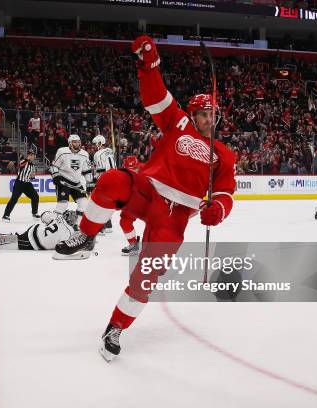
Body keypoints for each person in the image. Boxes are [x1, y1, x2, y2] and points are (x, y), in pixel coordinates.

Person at [54, 35, 237, 362]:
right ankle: (86, 234)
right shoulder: (179, 123)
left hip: (175, 216)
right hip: (147, 190)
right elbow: (157, 99)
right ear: (194, 114)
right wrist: (149, 67)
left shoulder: (223, 154)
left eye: (214, 114)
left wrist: (217, 210)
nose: (211, 119)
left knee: (147, 274)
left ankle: (116, 328)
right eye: (205, 114)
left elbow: (225, 193)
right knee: (111, 180)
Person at [0, 211, 77, 251]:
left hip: (35, 230)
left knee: (12, 238)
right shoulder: (69, 232)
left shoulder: (58, 217)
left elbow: (44, 215)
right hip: (33, 241)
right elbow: (63, 246)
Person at [50, 134, 93, 219]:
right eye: (74, 142)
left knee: (83, 204)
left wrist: (90, 184)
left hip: (76, 183)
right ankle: (55, 223)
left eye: (78, 142)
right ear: (70, 143)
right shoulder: (62, 152)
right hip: (64, 182)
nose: (77, 144)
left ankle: (78, 224)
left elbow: (87, 171)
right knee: (62, 205)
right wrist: (56, 176)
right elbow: (54, 166)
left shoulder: (84, 154)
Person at [3, 152, 39, 222]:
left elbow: (32, 177)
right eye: (30, 155)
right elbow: (20, 165)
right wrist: (26, 159)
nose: (32, 156)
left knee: (35, 197)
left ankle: (34, 213)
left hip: (27, 184)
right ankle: (5, 215)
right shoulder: (24, 161)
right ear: (28, 155)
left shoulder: (33, 165)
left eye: (33, 155)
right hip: (19, 183)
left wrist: (32, 175)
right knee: (14, 199)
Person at [90, 135, 116, 233]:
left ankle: (101, 227)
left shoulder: (98, 154)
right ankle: (108, 225)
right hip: (114, 178)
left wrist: (95, 179)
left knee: (99, 204)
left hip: (105, 179)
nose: (95, 145)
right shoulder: (110, 151)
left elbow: (101, 170)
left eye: (96, 143)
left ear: (100, 143)